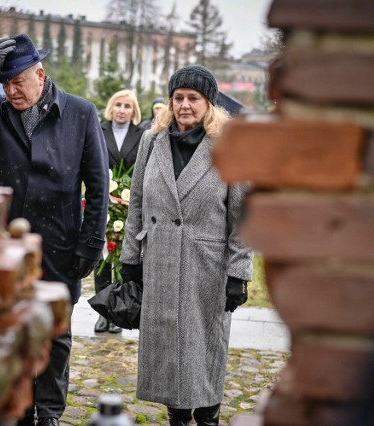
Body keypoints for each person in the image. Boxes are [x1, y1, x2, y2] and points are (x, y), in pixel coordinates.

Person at [0, 34, 109, 426]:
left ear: (40, 75)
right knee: (10, 327)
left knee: (56, 333)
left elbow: (97, 185)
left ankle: (51, 412)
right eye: (4, 83)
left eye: (17, 82)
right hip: (8, 242)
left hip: (60, 241)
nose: (11, 91)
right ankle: (20, 406)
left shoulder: (80, 112)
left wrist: (92, 243)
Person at [119, 65, 254, 426]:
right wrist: (130, 258)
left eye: (193, 98)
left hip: (206, 267)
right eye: (178, 97)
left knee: (204, 348)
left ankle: (208, 416)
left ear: (209, 104)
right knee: (166, 350)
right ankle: (177, 417)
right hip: (160, 259)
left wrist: (238, 272)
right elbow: (136, 202)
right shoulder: (152, 141)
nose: (184, 105)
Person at [93, 89, 145, 334]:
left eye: (127, 106)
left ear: (134, 111)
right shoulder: (98, 130)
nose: (122, 110)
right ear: (111, 108)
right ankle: (103, 312)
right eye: (118, 105)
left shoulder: (142, 135)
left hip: (130, 205)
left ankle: (119, 311)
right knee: (103, 258)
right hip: (103, 203)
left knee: (124, 257)